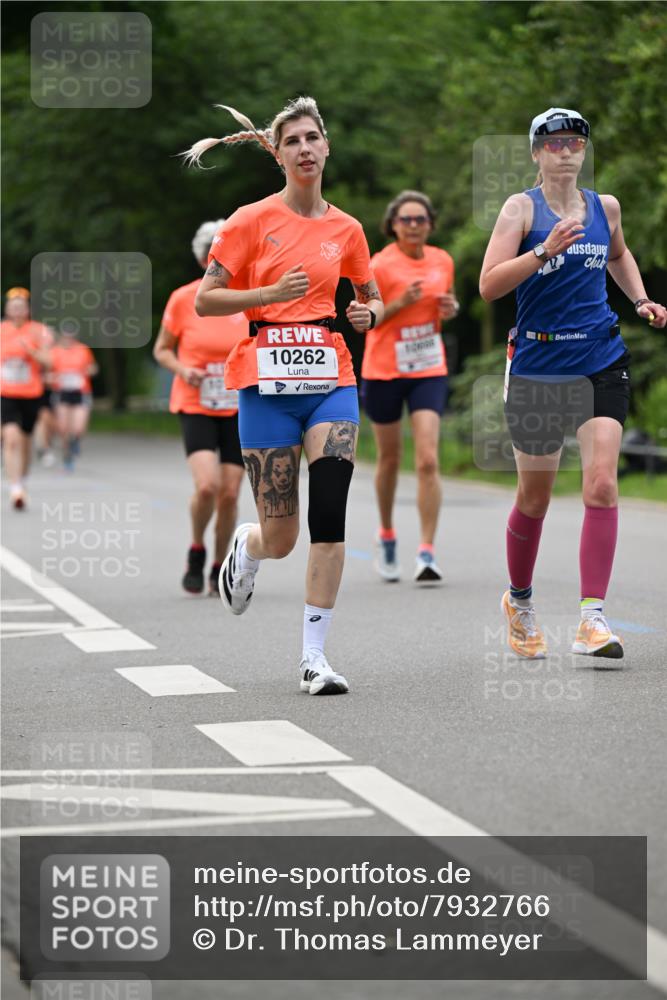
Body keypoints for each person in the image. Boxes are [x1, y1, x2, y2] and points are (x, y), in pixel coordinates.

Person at [183, 96, 383, 693]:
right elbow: (206, 300)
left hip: (330, 378)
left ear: (326, 147)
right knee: (282, 537)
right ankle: (247, 547)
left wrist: (368, 314)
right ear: (278, 155)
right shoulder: (249, 220)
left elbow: (371, 296)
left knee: (330, 511)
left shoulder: (347, 229)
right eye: (292, 140)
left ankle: (313, 658)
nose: (304, 148)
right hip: (265, 381)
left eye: (312, 138)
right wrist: (265, 294)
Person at [479, 107, 666, 660]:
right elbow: (489, 285)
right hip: (539, 363)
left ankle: (592, 619)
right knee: (534, 498)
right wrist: (543, 250)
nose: (565, 151)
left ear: (584, 152)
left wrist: (640, 299)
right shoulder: (520, 209)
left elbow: (619, 254)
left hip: (599, 357)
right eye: (554, 143)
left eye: (575, 142)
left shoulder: (605, 207)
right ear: (536, 153)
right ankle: (519, 600)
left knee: (602, 484)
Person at [361, 190, 458, 583]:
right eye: (406, 219)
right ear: (393, 225)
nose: (414, 226)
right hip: (384, 369)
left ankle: (427, 551)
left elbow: (444, 306)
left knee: (428, 460)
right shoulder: (379, 265)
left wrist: (450, 309)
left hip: (428, 367)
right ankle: (386, 534)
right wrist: (400, 302)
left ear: (430, 224)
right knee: (389, 459)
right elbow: (367, 319)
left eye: (421, 219)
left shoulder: (442, 260)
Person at [154, 220, 246, 595]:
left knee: (230, 493)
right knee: (207, 487)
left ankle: (219, 565)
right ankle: (197, 548)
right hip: (196, 402)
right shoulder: (183, 299)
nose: (217, 260)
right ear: (201, 259)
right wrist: (182, 369)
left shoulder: (246, 297)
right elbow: (161, 349)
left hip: (239, 404)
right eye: (211, 253)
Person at [0, 287, 53, 508]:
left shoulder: (39, 331)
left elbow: (50, 362)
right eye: (13, 307)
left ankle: (22, 480)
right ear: (7, 309)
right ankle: (15, 489)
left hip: (31, 394)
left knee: (25, 441)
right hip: (6, 393)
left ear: (28, 310)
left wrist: (31, 352)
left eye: (21, 307)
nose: (17, 310)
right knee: (10, 438)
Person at [50, 327, 98, 470]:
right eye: (66, 336)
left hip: (81, 392)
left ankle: (76, 440)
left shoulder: (83, 350)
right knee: (63, 428)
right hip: (62, 392)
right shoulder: (55, 351)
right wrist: (52, 377)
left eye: (71, 336)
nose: (69, 339)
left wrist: (90, 371)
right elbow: (46, 371)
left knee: (78, 427)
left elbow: (93, 367)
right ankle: (67, 454)